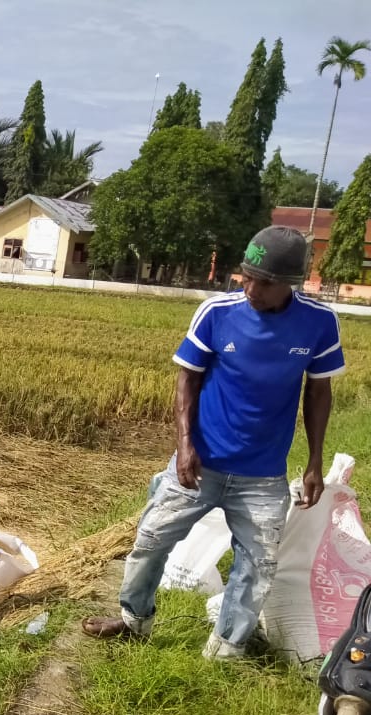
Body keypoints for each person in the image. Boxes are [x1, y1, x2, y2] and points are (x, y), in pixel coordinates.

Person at [82, 225, 345, 660]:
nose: (249, 287)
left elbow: (319, 391)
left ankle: (224, 651)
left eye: (263, 281)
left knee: (257, 566)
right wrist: (185, 446)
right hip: (200, 463)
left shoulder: (318, 323)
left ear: (289, 285)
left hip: (262, 476)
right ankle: (134, 621)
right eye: (245, 275)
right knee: (150, 542)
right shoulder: (217, 312)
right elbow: (187, 378)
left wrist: (315, 461)